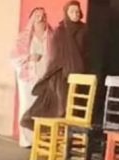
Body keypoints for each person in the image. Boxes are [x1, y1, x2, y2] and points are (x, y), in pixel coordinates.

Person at [21, 1, 87, 129]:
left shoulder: (85, 31)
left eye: (77, 11)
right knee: (56, 95)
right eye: (72, 11)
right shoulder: (60, 32)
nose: (75, 14)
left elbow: (88, 54)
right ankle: (51, 129)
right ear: (66, 13)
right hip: (60, 74)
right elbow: (55, 57)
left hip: (80, 75)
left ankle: (65, 132)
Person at [11, 7, 52, 148]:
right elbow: (14, 58)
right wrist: (29, 57)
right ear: (31, 19)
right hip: (28, 77)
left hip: (46, 77)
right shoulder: (24, 37)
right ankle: (27, 140)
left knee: (43, 108)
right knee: (27, 106)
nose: (41, 18)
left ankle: (41, 140)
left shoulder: (51, 36)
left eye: (43, 15)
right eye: (37, 15)